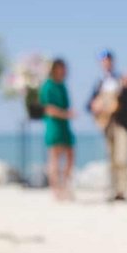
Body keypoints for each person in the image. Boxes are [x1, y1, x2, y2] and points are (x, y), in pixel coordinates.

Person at [87, 50, 127, 201]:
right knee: (111, 158)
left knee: (122, 158)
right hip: (106, 124)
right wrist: (95, 106)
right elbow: (89, 104)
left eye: (108, 60)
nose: (106, 63)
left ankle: (122, 191)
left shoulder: (121, 79)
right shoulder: (100, 82)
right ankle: (113, 190)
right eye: (103, 61)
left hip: (122, 122)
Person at [40, 58, 77, 200]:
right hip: (54, 124)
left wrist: (67, 115)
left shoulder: (62, 86)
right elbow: (47, 108)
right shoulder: (48, 86)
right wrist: (65, 114)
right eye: (61, 68)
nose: (63, 71)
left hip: (65, 125)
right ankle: (56, 190)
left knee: (70, 155)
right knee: (54, 157)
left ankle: (65, 185)